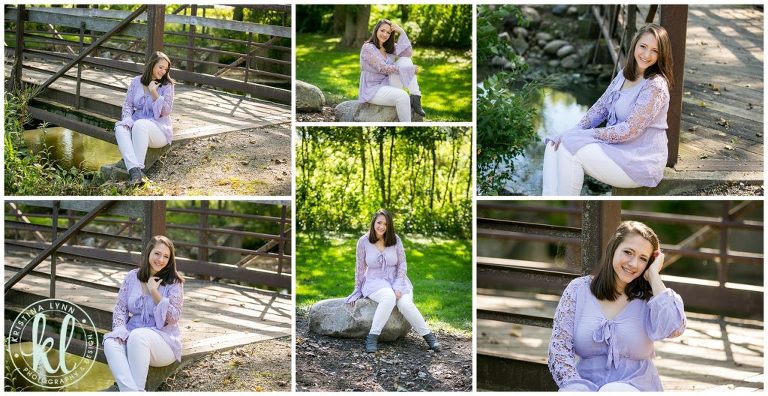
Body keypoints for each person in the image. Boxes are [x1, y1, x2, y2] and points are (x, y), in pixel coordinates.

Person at [547, 221, 686, 391]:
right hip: (584, 384)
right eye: (628, 252)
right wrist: (574, 386)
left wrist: (654, 276)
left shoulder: (651, 298)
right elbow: (559, 348)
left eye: (643, 259)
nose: (633, 264)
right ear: (613, 249)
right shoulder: (578, 289)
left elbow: (675, 329)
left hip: (635, 387)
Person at [542, 24, 673, 195]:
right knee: (554, 144)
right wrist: (573, 131)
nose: (647, 55)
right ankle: (553, 201)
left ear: (661, 54)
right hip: (618, 149)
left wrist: (585, 135)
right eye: (643, 46)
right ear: (635, 44)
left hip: (639, 160)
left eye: (654, 51)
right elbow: (601, 108)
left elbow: (629, 130)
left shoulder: (655, 86)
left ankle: (567, 206)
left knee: (569, 150)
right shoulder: (625, 73)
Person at [345, 209, 440, 353]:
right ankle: (372, 337)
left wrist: (397, 285)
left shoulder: (395, 240)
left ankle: (429, 337)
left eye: (385, 224)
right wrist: (357, 289)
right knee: (388, 297)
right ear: (373, 223)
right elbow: (360, 267)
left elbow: (402, 264)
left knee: (405, 303)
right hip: (375, 281)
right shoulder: (363, 241)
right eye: (379, 222)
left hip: (397, 279)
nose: (382, 226)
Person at [104, 235, 184, 391]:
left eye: (166, 256)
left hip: (163, 342)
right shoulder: (132, 277)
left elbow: (173, 318)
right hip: (132, 335)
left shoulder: (174, 282)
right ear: (149, 253)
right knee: (111, 342)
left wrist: (154, 292)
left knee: (138, 335)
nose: (161, 259)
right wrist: (120, 330)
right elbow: (120, 308)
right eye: (157, 254)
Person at [115, 51, 175, 186]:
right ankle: (136, 173)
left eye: (166, 69)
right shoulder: (136, 82)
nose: (163, 71)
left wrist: (154, 92)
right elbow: (127, 105)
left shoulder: (167, 85)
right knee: (120, 127)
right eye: (161, 67)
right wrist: (127, 119)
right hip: (137, 124)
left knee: (140, 124)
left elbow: (166, 111)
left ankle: (139, 167)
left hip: (159, 130)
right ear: (152, 65)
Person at [359, 19, 426, 122]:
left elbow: (407, 53)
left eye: (388, 32)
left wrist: (402, 31)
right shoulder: (368, 48)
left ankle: (415, 96)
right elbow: (382, 68)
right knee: (403, 96)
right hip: (372, 89)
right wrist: (408, 70)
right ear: (376, 30)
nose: (385, 34)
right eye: (382, 30)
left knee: (405, 60)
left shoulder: (389, 47)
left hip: (387, 83)